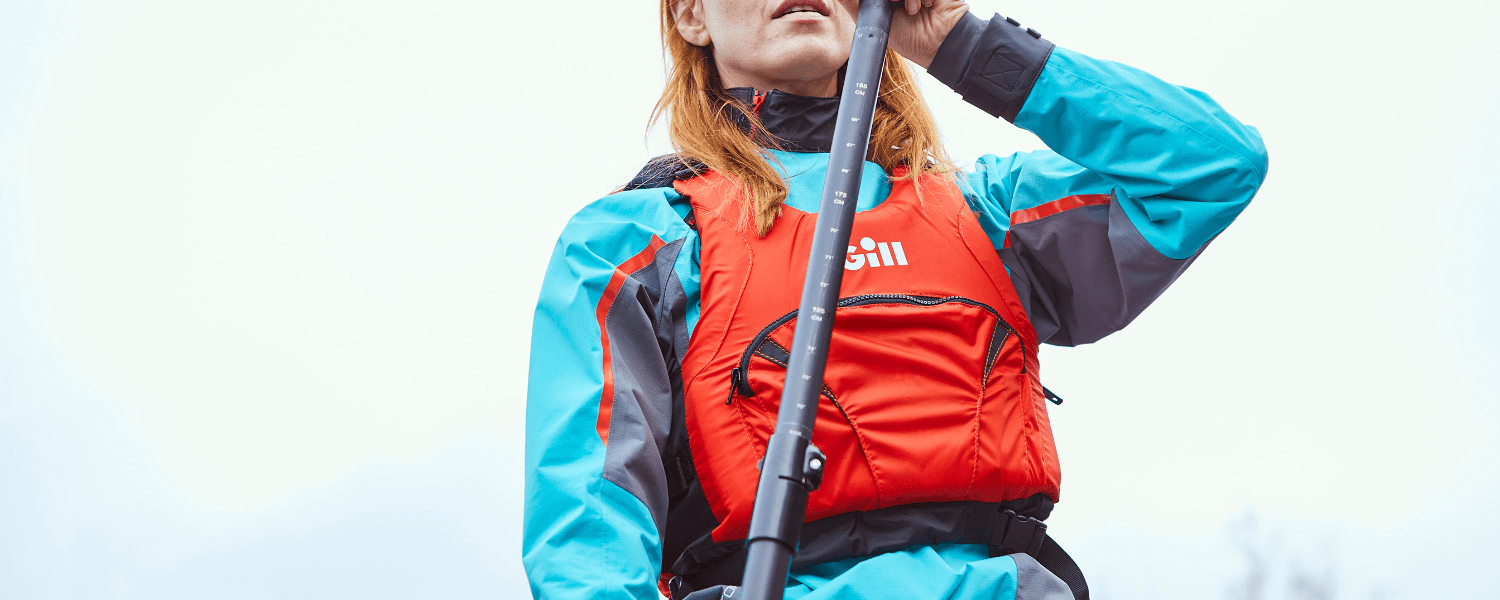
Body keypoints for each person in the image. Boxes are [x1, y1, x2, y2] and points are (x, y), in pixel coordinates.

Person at [524, 0, 1267, 599]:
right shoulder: (633, 242)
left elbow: (1214, 162)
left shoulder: (986, 213)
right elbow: (588, 527)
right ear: (691, 16)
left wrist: (958, 41)